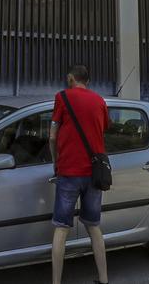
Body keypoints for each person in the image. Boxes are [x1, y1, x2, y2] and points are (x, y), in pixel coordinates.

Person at [49, 64, 108, 284]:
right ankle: (103, 279)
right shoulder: (100, 101)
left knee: (61, 228)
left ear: (71, 78)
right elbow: (101, 130)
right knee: (93, 226)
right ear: (88, 82)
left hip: (69, 171)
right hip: (93, 174)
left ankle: (56, 282)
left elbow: (52, 137)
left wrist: (56, 162)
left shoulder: (62, 97)